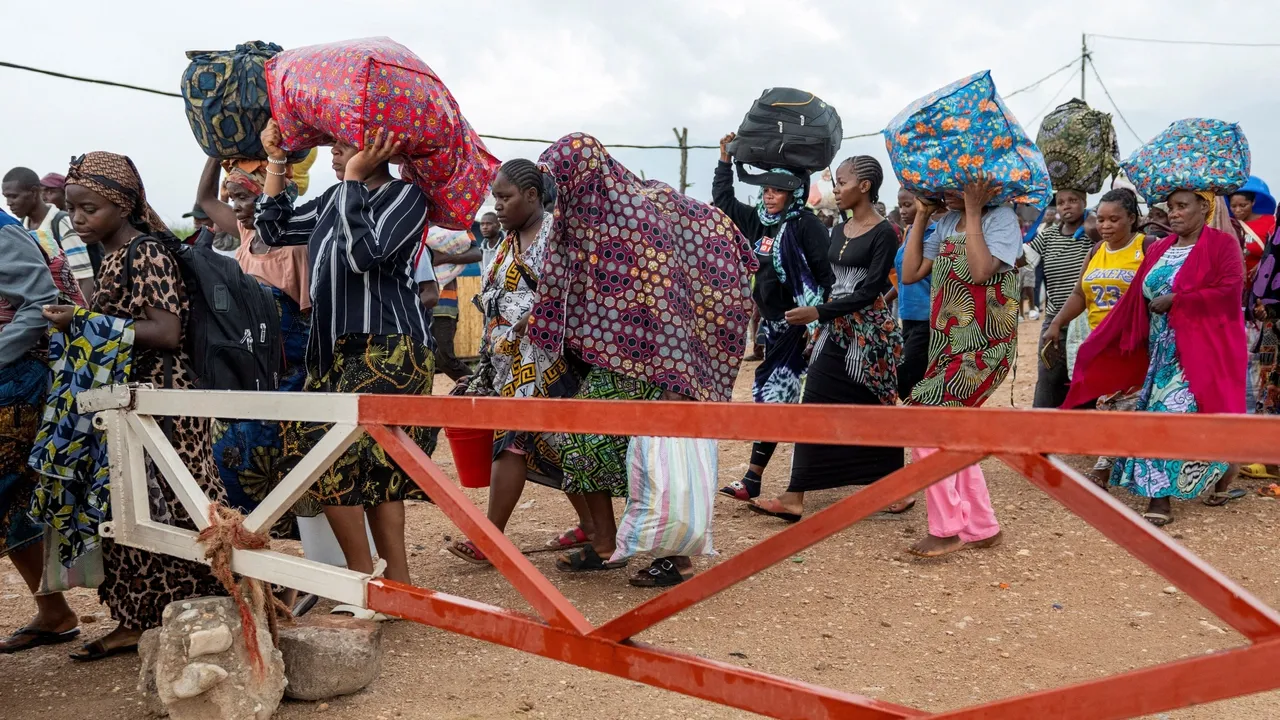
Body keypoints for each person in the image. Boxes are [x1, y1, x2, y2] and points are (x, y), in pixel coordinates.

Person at [36, 151, 228, 660]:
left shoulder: (145, 253)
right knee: (124, 508)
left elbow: (166, 332)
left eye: (88, 208)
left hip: (164, 403)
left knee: (180, 507)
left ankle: (223, 600)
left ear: (121, 205)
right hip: (127, 400)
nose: (77, 219)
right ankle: (136, 617)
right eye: (73, 209)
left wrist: (78, 324)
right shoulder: (115, 255)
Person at [255, 121, 436, 588]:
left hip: (389, 347)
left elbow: (363, 255)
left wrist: (353, 180)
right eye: (333, 144)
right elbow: (272, 230)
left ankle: (368, 582)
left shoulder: (407, 198)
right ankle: (390, 585)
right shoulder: (333, 199)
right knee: (351, 463)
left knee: (356, 463)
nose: (335, 152)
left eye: (346, 144)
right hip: (334, 351)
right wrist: (277, 161)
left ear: (381, 146)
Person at [1067, 189, 1247, 526]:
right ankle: (1170, 493)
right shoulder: (1162, 248)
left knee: (1190, 417)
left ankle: (1204, 481)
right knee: (1164, 418)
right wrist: (1107, 338)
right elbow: (1137, 295)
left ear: (1204, 208)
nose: (1174, 213)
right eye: (1172, 208)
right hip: (1161, 353)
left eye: (1182, 207)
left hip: (1204, 351)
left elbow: (1230, 290)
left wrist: (1179, 299)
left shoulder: (1221, 244)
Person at [747, 156, 905, 522]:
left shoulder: (885, 232)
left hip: (868, 335)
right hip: (835, 328)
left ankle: (895, 486)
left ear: (864, 186)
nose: (836, 188)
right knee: (815, 403)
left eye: (843, 182)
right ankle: (794, 496)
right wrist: (819, 321)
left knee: (875, 406)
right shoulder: (838, 229)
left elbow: (870, 291)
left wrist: (818, 314)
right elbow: (832, 283)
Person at [448, 159, 589, 565]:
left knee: (513, 443)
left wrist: (534, 319)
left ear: (531, 196)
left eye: (506, 197)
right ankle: (593, 527)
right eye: (496, 197)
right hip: (512, 362)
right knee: (554, 446)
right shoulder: (505, 243)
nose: (499, 205)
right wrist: (482, 372)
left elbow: (570, 295)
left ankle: (490, 539)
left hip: (549, 361)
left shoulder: (554, 238)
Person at [899, 175, 1020, 557]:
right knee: (952, 431)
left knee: (921, 420)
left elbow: (982, 271)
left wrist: (971, 208)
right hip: (949, 344)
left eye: (952, 187)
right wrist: (921, 216)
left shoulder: (1001, 220)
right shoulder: (946, 221)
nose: (943, 194)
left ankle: (947, 527)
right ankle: (982, 525)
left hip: (986, 346)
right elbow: (910, 273)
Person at [712, 132, 835, 502]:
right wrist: (724, 160)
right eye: (766, 189)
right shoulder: (759, 222)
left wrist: (818, 321)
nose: (769, 195)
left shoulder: (806, 225)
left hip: (801, 329)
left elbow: (826, 277)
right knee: (776, 398)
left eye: (777, 190)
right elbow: (723, 201)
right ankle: (757, 480)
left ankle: (756, 479)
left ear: (794, 193)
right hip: (773, 327)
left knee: (776, 399)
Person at [0, 210, 81, 654]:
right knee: (15, 504)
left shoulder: (2, 232)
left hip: (12, 384)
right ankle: (54, 612)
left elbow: (39, 302)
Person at [1043, 188, 1147, 484]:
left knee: (1128, 404)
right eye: (1100, 220)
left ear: (1131, 218)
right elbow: (1080, 293)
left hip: (1135, 342)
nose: (1106, 226)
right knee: (1107, 403)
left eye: (1114, 219)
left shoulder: (1147, 247)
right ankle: (1115, 461)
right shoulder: (1095, 251)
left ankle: (1106, 466)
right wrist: (1056, 323)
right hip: (1100, 340)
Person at [1026, 190, 1092, 408]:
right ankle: (1042, 434)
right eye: (1061, 202)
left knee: (1084, 381)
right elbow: (1023, 261)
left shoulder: (1091, 235)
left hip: (1086, 322)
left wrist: (1092, 222)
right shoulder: (1048, 235)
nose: (1066, 206)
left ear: (1084, 202)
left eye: (1073, 201)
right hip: (1055, 321)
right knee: (1048, 378)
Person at [4, 167, 95, 301]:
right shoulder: (22, 226)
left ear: (34, 192)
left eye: (14, 196)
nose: (8, 203)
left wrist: (80, 318)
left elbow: (85, 278)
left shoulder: (61, 223)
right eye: (6, 197)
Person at [892, 187, 933, 400]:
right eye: (900, 205)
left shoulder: (934, 236)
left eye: (908, 205)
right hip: (907, 317)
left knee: (907, 376)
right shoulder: (909, 234)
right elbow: (902, 278)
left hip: (926, 319)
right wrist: (884, 298)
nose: (902, 211)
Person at [429, 225, 482, 382]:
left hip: (444, 303)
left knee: (444, 357)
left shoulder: (454, 226)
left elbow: (475, 253)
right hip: (417, 303)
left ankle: (478, 390)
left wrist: (444, 258)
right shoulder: (415, 224)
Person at [1229, 176, 1275, 278]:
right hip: (1236, 285)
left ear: (1253, 202)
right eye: (1233, 206)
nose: (1237, 210)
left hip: (1262, 285)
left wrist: (1263, 265)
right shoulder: (1228, 224)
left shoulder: (1271, 222)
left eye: (1243, 205)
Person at [477, 211, 502, 277]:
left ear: (498, 226)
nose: (484, 227)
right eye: (482, 224)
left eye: (489, 224)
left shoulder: (508, 246)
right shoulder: (481, 251)